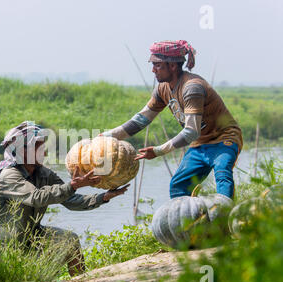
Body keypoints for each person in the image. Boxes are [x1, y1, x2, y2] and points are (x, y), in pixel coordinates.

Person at [103, 40, 243, 200]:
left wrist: (158, 151)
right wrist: (107, 137)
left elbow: (191, 131)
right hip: (200, 143)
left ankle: (226, 218)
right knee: (178, 186)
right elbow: (142, 119)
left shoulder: (192, 87)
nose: (153, 70)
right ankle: (191, 222)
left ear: (173, 66)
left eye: (157, 65)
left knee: (222, 174)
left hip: (224, 139)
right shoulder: (162, 89)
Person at [0, 121, 129, 276]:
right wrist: (73, 186)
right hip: (7, 245)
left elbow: (70, 200)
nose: (43, 152)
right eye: (38, 148)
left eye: (42, 147)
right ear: (22, 151)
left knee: (69, 240)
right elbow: (37, 197)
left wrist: (103, 197)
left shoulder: (44, 174)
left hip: (32, 236)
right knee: (37, 274)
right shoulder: (8, 176)